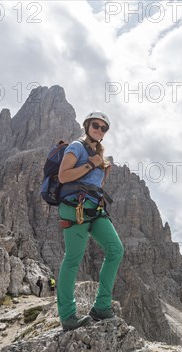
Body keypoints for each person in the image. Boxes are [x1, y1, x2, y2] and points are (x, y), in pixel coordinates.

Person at [55, 111, 125, 331]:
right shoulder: (76, 146)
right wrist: (91, 164)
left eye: (104, 128)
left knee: (116, 250)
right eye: (96, 125)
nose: (99, 130)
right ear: (87, 126)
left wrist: (103, 171)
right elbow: (63, 176)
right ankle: (68, 316)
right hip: (74, 209)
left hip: (94, 208)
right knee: (73, 259)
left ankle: (101, 306)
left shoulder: (98, 153)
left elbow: (92, 184)